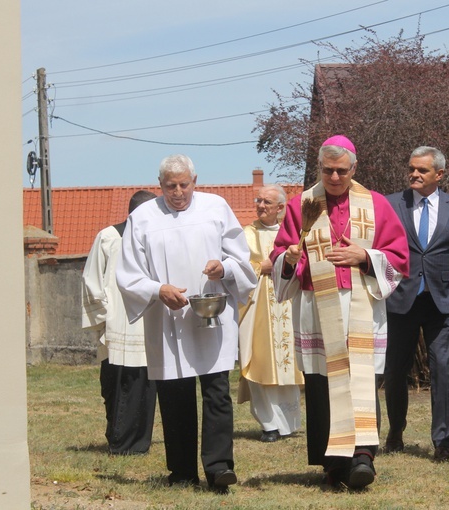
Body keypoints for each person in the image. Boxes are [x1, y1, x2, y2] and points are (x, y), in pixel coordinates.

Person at [270, 135, 409, 489]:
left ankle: (363, 457)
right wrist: (288, 261)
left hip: (362, 303)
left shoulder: (375, 204)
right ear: (320, 168)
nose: (334, 178)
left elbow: (399, 257)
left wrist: (364, 257)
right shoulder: (301, 205)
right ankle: (333, 465)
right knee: (322, 383)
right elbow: (282, 256)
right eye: (328, 170)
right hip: (317, 307)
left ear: (354, 168)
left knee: (362, 379)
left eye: (341, 171)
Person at [116, 154, 257, 490]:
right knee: (175, 393)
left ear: (195, 181)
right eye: (170, 186)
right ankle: (181, 470)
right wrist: (156, 288)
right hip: (167, 318)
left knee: (216, 391)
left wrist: (224, 269)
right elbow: (128, 272)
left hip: (212, 312)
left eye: (184, 185)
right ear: (159, 185)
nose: (177, 192)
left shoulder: (216, 207)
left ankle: (219, 466)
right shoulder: (143, 217)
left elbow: (240, 257)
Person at [383, 146, 449, 462]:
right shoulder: (391, 204)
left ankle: (442, 444)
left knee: (443, 371)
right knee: (395, 371)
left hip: (443, 302)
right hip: (401, 299)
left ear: (439, 174)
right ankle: (396, 432)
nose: (414, 174)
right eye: (411, 168)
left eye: (422, 170)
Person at [82, 190, 158, 455]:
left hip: (149, 326)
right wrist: (105, 319)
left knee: (146, 386)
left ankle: (140, 443)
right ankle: (118, 441)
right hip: (118, 325)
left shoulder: (157, 241)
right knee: (117, 385)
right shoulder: (109, 238)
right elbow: (91, 280)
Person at [238, 184, 304, 443]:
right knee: (260, 360)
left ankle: (287, 422)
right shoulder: (245, 234)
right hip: (256, 306)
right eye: (259, 201)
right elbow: (236, 266)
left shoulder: (293, 235)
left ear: (280, 208)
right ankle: (268, 424)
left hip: (288, 302)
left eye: (267, 202)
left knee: (290, 363)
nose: (261, 206)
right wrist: (258, 266)